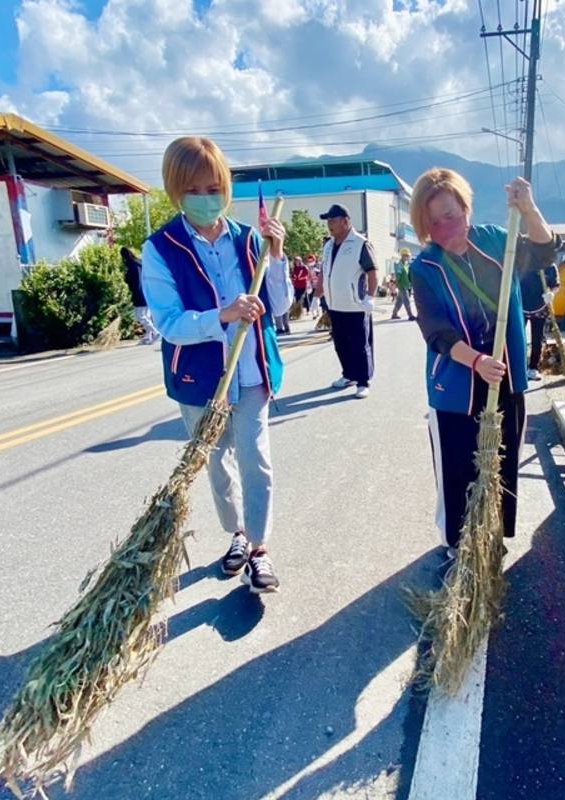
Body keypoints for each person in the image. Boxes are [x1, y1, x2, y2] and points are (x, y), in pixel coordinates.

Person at [141, 136, 293, 595]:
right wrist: (221, 317)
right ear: (176, 190)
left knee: (256, 458)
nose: (207, 199)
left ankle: (260, 550)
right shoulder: (161, 248)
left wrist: (279, 257)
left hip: (251, 371)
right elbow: (168, 322)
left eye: (215, 189)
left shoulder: (250, 239)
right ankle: (237, 535)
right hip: (200, 379)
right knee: (217, 461)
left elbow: (281, 304)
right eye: (195, 190)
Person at [408, 168, 557, 550]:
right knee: (458, 470)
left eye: (451, 215)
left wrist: (528, 209)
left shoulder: (496, 241)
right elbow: (436, 331)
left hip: (507, 380)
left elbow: (544, 252)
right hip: (456, 386)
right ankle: (458, 544)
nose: (445, 226)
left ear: (466, 207)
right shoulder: (425, 266)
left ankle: (491, 535)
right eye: (434, 221)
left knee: (502, 464)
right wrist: (475, 361)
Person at [320, 204, 378, 399]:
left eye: (333, 220)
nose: (330, 224)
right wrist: (320, 291)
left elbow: (372, 272)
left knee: (360, 345)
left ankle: (363, 381)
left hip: (355, 305)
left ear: (346, 221)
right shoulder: (328, 245)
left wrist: (370, 297)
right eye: (328, 221)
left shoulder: (361, 243)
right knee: (341, 344)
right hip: (335, 305)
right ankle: (349, 375)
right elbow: (325, 269)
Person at [521, 262, 559, 380]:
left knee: (537, 339)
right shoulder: (521, 260)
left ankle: (533, 368)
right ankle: (517, 367)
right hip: (521, 305)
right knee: (517, 337)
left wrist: (551, 293)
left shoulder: (549, 265)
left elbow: (556, 285)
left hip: (540, 306)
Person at [121, 246, 160, 345]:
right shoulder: (140, 263)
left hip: (140, 294)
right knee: (146, 315)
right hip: (147, 292)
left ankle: (155, 332)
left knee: (141, 316)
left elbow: (134, 282)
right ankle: (148, 336)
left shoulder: (132, 266)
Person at [391, 248, 416, 320]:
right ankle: (410, 315)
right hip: (402, 285)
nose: (408, 257)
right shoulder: (400, 265)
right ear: (402, 256)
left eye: (408, 256)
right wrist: (397, 284)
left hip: (406, 284)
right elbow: (398, 275)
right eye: (406, 256)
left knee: (399, 301)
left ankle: (394, 314)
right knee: (406, 300)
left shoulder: (406, 265)